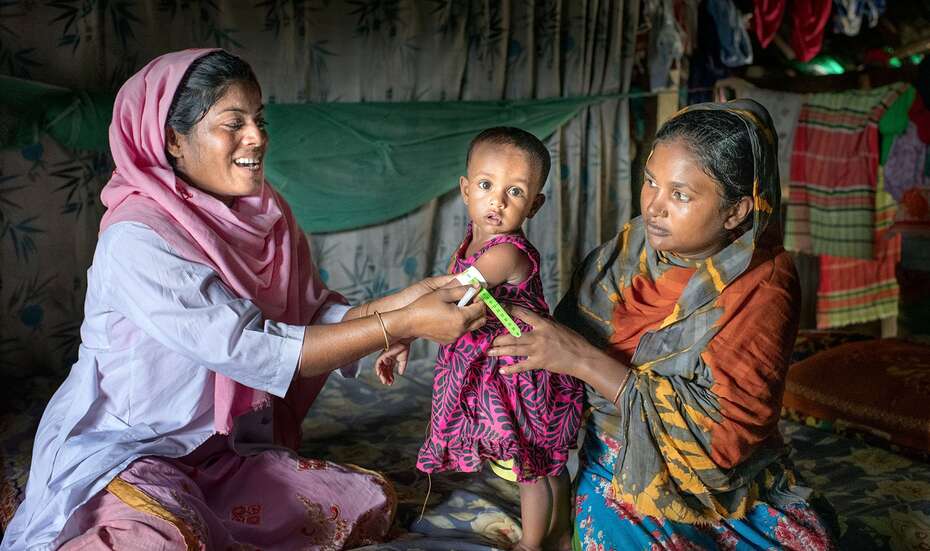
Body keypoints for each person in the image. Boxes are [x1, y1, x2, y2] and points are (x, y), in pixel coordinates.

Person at [0, 48, 485, 551]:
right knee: (163, 540)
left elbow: (310, 315)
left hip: (219, 451)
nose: (257, 137)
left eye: (259, 120)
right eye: (234, 123)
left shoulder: (265, 216)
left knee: (359, 503)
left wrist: (404, 304)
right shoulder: (138, 237)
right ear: (173, 139)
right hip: (131, 450)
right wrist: (402, 324)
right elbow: (254, 347)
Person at [489, 101, 837, 550]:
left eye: (681, 195)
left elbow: (721, 441)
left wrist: (581, 359)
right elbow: (556, 349)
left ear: (735, 212)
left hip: (715, 488)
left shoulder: (762, 284)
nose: (654, 206)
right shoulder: (630, 249)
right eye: (651, 181)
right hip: (611, 462)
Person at [376, 127, 583, 551]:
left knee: (531, 468)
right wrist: (405, 336)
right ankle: (561, 531)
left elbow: (451, 295)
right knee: (541, 464)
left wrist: (402, 332)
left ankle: (532, 544)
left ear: (535, 205)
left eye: (515, 191)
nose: (498, 201)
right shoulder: (474, 242)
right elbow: (443, 298)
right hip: (497, 370)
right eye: (487, 185)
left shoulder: (505, 253)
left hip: (521, 375)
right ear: (466, 190)